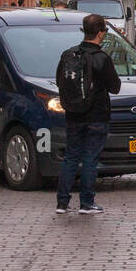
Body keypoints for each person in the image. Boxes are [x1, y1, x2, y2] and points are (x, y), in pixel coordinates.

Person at [55, 13, 122, 216]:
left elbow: (60, 81)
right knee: (90, 158)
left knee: (71, 157)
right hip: (97, 115)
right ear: (100, 33)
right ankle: (86, 202)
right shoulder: (101, 58)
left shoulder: (69, 54)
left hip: (73, 114)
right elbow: (115, 87)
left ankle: (62, 203)